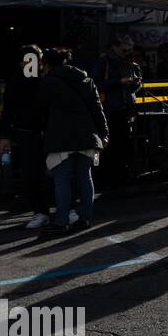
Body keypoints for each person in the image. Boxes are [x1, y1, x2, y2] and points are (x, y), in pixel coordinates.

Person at [36, 48, 109, 234]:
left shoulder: (49, 82)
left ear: (48, 64)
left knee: (62, 180)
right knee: (85, 177)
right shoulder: (86, 80)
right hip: (87, 135)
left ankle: (61, 222)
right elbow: (97, 108)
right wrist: (104, 132)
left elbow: (41, 110)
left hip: (60, 137)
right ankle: (85, 218)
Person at [0, 44, 52, 229]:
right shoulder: (16, 81)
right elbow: (8, 109)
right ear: (22, 62)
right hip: (26, 132)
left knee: (57, 171)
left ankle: (64, 208)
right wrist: (5, 135)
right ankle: (41, 211)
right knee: (31, 174)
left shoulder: (46, 78)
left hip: (49, 131)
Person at [91, 34, 142, 187]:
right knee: (109, 145)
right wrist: (119, 82)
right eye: (125, 49)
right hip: (108, 109)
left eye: (129, 50)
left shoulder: (129, 63)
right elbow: (96, 84)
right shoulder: (104, 62)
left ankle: (121, 175)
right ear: (115, 46)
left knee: (123, 143)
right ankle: (107, 176)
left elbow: (135, 87)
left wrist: (135, 83)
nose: (128, 52)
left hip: (125, 108)